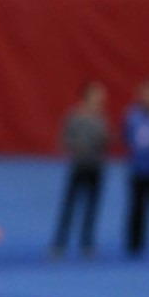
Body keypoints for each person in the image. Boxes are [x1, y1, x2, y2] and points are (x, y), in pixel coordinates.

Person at [49, 81, 109, 257]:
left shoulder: (101, 118)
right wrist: (77, 147)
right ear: (87, 96)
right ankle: (59, 243)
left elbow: (105, 141)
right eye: (97, 94)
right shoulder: (75, 117)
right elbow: (64, 140)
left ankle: (87, 243)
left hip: (96, 166)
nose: (100, 98)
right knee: (70, 206)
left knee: (92, 207)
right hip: (79, 166)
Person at [122, 79, 149, 255]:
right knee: (137, 208)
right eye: (145, 95)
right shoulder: (133, 116)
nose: (148, 98)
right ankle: (135, 244)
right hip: (139, 169)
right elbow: (126, 137)